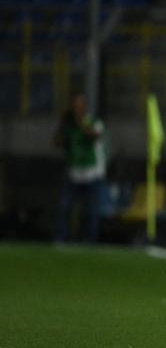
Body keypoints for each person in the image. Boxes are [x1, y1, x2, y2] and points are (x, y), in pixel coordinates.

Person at [54, 91, 106, 243]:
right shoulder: (68, 124)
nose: (76, 108)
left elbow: (96, 135)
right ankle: (60, 239)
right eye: (74, 105)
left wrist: (80, 123)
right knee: (64, 207)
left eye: (79, 105)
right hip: (73, 174)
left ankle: (90, 241)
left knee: (91, 211)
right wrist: (63, 125)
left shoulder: (94, 121)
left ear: (84, 106)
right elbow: (57, 142)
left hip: (92, 174)